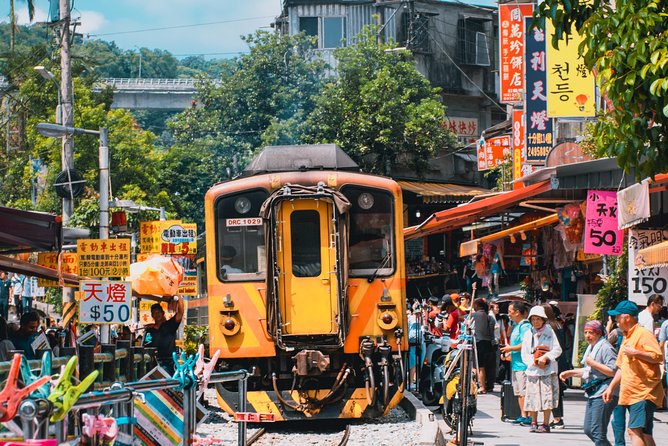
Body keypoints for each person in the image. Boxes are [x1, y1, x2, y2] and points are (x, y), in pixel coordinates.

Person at [603, 300, 664, 446]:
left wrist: (636, 352)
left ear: (627, 317)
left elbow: (658, 357)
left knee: (633, 431)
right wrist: (611, 388)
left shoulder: (643, 334)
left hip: (643, 392)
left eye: (617, 316)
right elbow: (621, 367)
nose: (616, 320)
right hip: (631, 392)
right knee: (645, 433)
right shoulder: (626, 337)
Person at [560, 320, 618, 445]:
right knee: (588, 430)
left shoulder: (606, 348)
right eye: (585, 332)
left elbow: (613, 371)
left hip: (604, 392)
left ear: (598, 333)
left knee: (597, 432)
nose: (587, 335)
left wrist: (593, 363)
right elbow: (589, 370)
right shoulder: (592, 348)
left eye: (591, 332)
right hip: (594, 392)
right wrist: (570, 373)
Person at [521, 305, 562, 433]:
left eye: (538, 319)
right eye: (533, 319)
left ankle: (545, 423)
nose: (536, 322)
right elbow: (524, 353)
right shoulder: (528, 333)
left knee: (547, 397)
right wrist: (534, 361)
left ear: (543, 319)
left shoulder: (550, 332)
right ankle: (533, 422)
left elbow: (557, 349)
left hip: (547, 370)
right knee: (532, 397)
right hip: (533, 371)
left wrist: (546, 358)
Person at [500, 301, 532, 426]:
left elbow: (525, 344)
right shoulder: (517, 326)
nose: (509, 314)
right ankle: (523, 415)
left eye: (510, 311)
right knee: (518, 391)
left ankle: (527, 416)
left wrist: (510, 349)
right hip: (516, 363)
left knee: (523, 391)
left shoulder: (525, 326)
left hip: (523, 364)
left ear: (517, 312)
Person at [543, 303, 570, 429]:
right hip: (561, 359)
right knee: (557, 390)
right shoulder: (557, 324)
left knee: (553, 390)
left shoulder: (548, 327)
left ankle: (557, 418)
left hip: (554, 361)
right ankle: (557, 417)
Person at [145, 298, 185, 374]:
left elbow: (180, 312)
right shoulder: (149, 330)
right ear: (152, 315)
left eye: (158, 312)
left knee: (168, 383)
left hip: (169, 361)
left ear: (163, 313)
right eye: (154, 313)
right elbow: (146, 345)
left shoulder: (170, 325)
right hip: (153, 362)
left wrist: (179, 296)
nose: (157, 314)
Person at [472, 298, 496, 393]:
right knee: (486, 366)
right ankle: (486, 385)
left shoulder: (472, 316)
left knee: (477, 366)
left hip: (478, 343)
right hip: (488, 344)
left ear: (477, 306)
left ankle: (480, 387)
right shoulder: (490, 318)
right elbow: (491, 334)